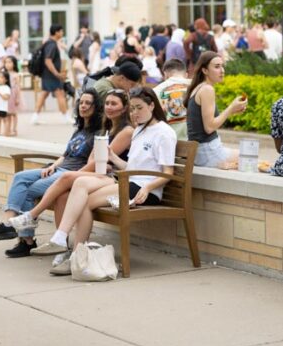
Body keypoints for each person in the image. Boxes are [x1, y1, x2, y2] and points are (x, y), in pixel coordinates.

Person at [31, 87, 177, 255]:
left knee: (83, 200)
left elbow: (168, 173)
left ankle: (70, 249)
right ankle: (68, 245)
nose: (135, 113)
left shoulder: (164, 133)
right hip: (129, 182)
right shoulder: (139, 130)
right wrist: (113, 157)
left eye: (139, 108)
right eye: (132, 108)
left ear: (151, 106)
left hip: (145, 190)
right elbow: (131, 167)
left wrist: (148, 188)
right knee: (80, 186)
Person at [3, 89, 134, 263]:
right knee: (62, 196)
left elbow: (102, 159)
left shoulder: (126, 131)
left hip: (114, 178)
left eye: (114, 104)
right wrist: (60, 166)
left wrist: (75, 174)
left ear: (124, 108)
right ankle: (62, 246)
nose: (109, 107)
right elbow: (93, 158)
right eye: (107, 103)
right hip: (100, 174)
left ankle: (31, 216)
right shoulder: (107, 129)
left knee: (65, 179)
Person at [0, 90, 103, 256]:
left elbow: (93, 163)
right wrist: (53, 166)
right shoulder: (80, 130)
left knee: (29, 190)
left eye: (88, 103)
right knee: (20, 177)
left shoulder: (98, 133)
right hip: (59, 169)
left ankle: (26, 240)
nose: (83, 106)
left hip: (70, 174)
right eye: (81, 102)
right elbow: (65, 155)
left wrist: (69, 175)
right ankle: (7, 222)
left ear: (96, 107)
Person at [185, 51, 247, 169]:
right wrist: (230, 108)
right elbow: (209, 128)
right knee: (250, 158)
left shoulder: (199, 87)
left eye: (222, 66)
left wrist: (233, 110)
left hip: (201, 151)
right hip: (207, 152)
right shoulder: (207, 89)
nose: (222, 70)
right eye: (217, 67)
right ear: (205, 70)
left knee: (247, 157)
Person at [31, 25, 69, 124]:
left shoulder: (49, 43)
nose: (62, 33)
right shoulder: (52, 44)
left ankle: (35, 116)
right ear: (56, 32)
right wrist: (57, 73)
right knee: (60, 93)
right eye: (61, 31)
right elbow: (48, 60)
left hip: (47, 74)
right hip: (51, 74)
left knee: (44, 93)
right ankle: (65, 116)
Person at [154, 59, 190, 139]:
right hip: (194, 141)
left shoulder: (156, 91)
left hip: (168, 140)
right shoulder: (197, 86)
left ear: (165, 75)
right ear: (186, 74)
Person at [2, 55, 21, 136]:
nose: (7, 64)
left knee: (14, 113)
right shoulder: (3, 73)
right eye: (6, 62)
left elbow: (18, 87)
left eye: (10, 62)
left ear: (14, 63)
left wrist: (18, 98)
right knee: (7, 113)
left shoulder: (16, 74)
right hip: (7, 95)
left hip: (13, 94)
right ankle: (7, 129)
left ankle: (14, 129)